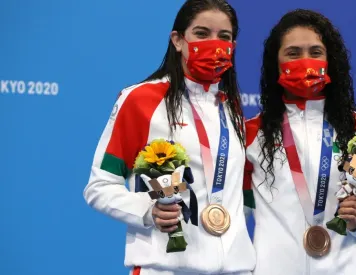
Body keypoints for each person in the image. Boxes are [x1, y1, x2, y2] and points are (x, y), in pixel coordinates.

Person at [83, 1, 255, 274]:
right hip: (165, 267)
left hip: (235, 269)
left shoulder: (229, 106)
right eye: (202, 33)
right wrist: (148, 210)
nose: (215, 44)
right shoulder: (141, 100)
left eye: (224, 37)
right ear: (178, 40)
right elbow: (100, 186)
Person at [243, 9, 356, 275]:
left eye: (315, 52)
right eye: (293, 53)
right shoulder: (252, 133)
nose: (305, 61)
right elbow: (238, 211)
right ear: (274, 62)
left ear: (330, 59)